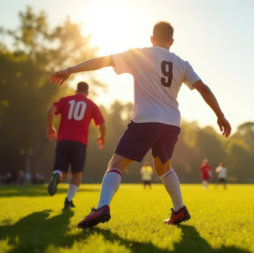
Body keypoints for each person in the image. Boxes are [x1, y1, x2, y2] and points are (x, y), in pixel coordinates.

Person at [49, 21, 231, 228]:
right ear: (171, 41)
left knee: (115, 165)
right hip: (171, 124)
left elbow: (103, 61)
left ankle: (102, 206)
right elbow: (204, 89)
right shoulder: (182, 63)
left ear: (151, 39)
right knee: (163, 168)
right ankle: (179, 210)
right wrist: (220, 115)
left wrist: (71, 70)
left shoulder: (139, 55)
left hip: (145, 120)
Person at [46, 82, 106, 209]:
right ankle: (68, 200)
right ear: (87, 92)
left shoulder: (66, 100)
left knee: (61, 171)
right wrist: (102, 137)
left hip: (62, 141)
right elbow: (102, 124)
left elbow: (50, 111)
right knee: (77, 174)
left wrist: (51, 127)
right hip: (79, 143)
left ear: (76, 90)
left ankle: (56, 175)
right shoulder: (91, 105)